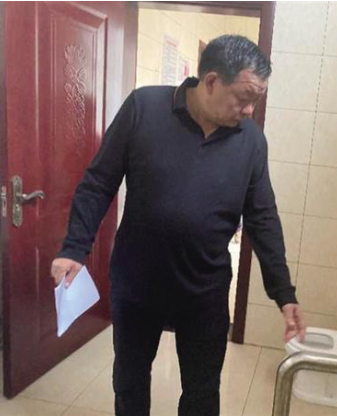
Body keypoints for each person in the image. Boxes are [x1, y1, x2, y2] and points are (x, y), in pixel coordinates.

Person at [50, 35, 306, 416]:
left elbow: (262, 217)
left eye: (257, 99)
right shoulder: (144, 108)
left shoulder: (251, 141)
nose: (250, 110)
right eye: (244, 97)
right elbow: (99, 182)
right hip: (137, 284)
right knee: (130, 383)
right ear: (212, 81)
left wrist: (283, 292)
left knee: (202, 392)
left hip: (205, 290)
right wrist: (74, 247)